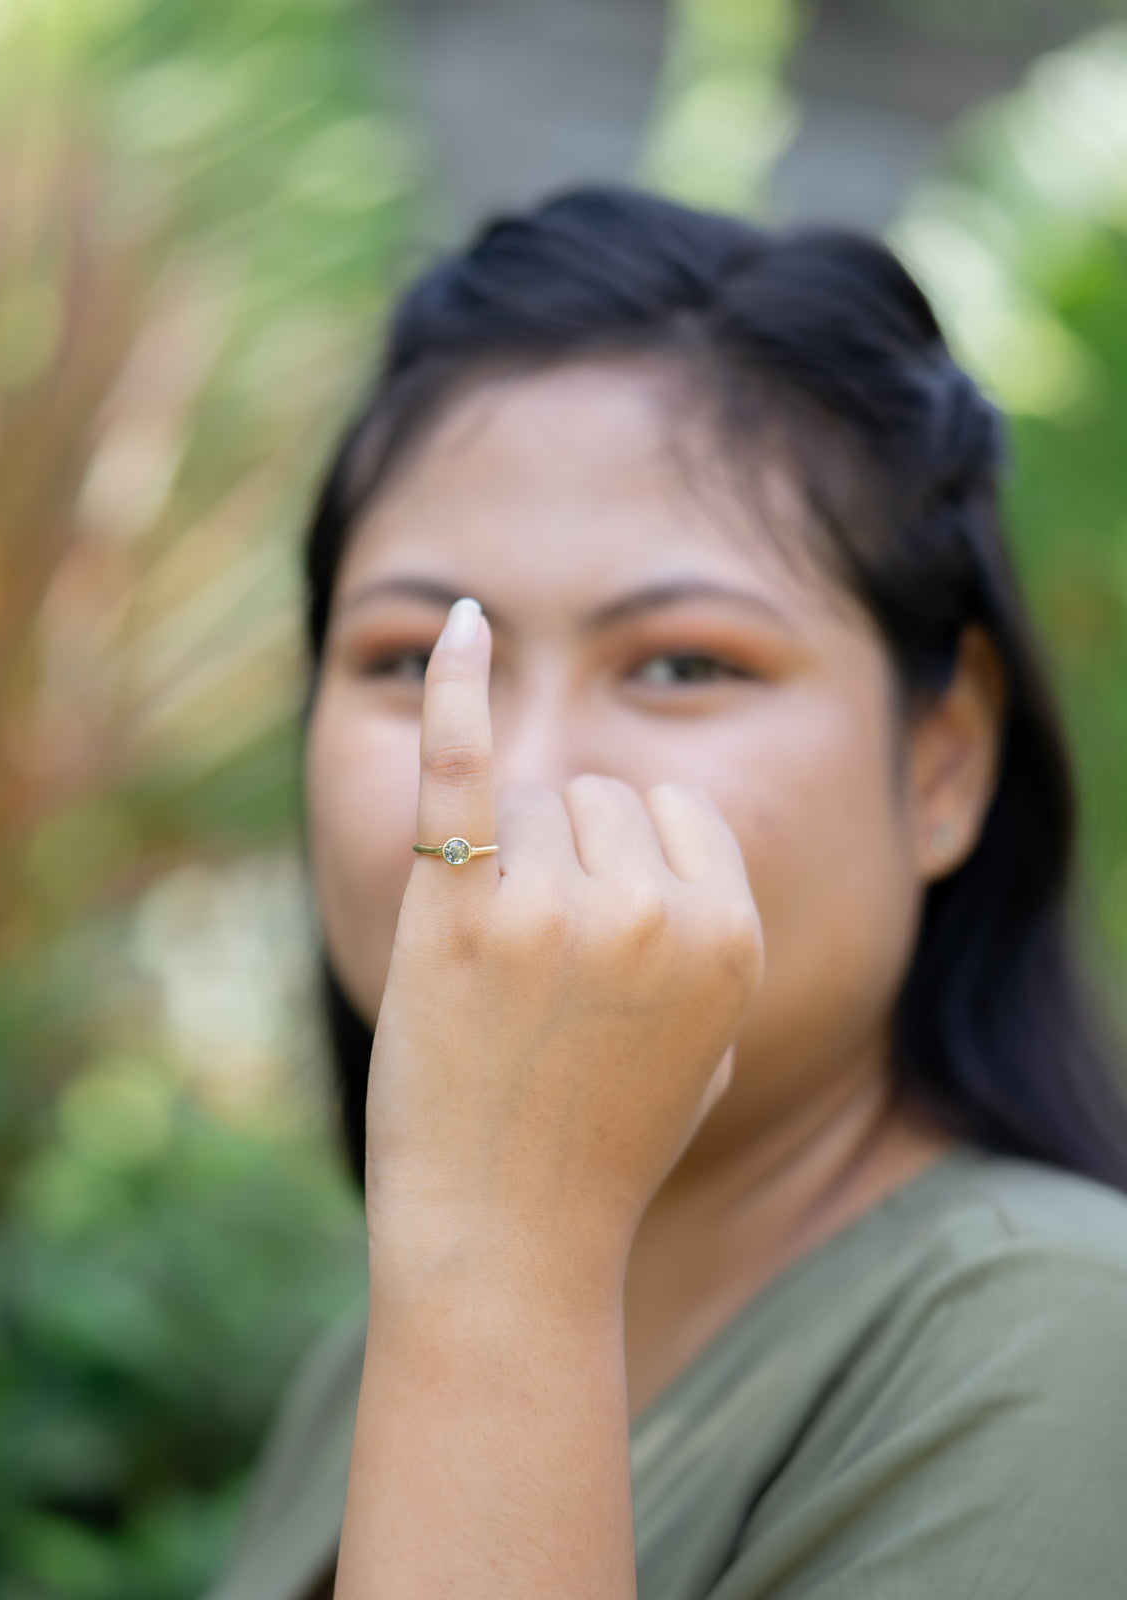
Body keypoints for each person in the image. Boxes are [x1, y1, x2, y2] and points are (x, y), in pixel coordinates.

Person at [207, 185, 1127, 1600]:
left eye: (686, 664)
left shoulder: (1065, 1347)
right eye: (414, 662)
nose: (515, 778)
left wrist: (505, 1269)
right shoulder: (380, 1348)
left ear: (944, 761)